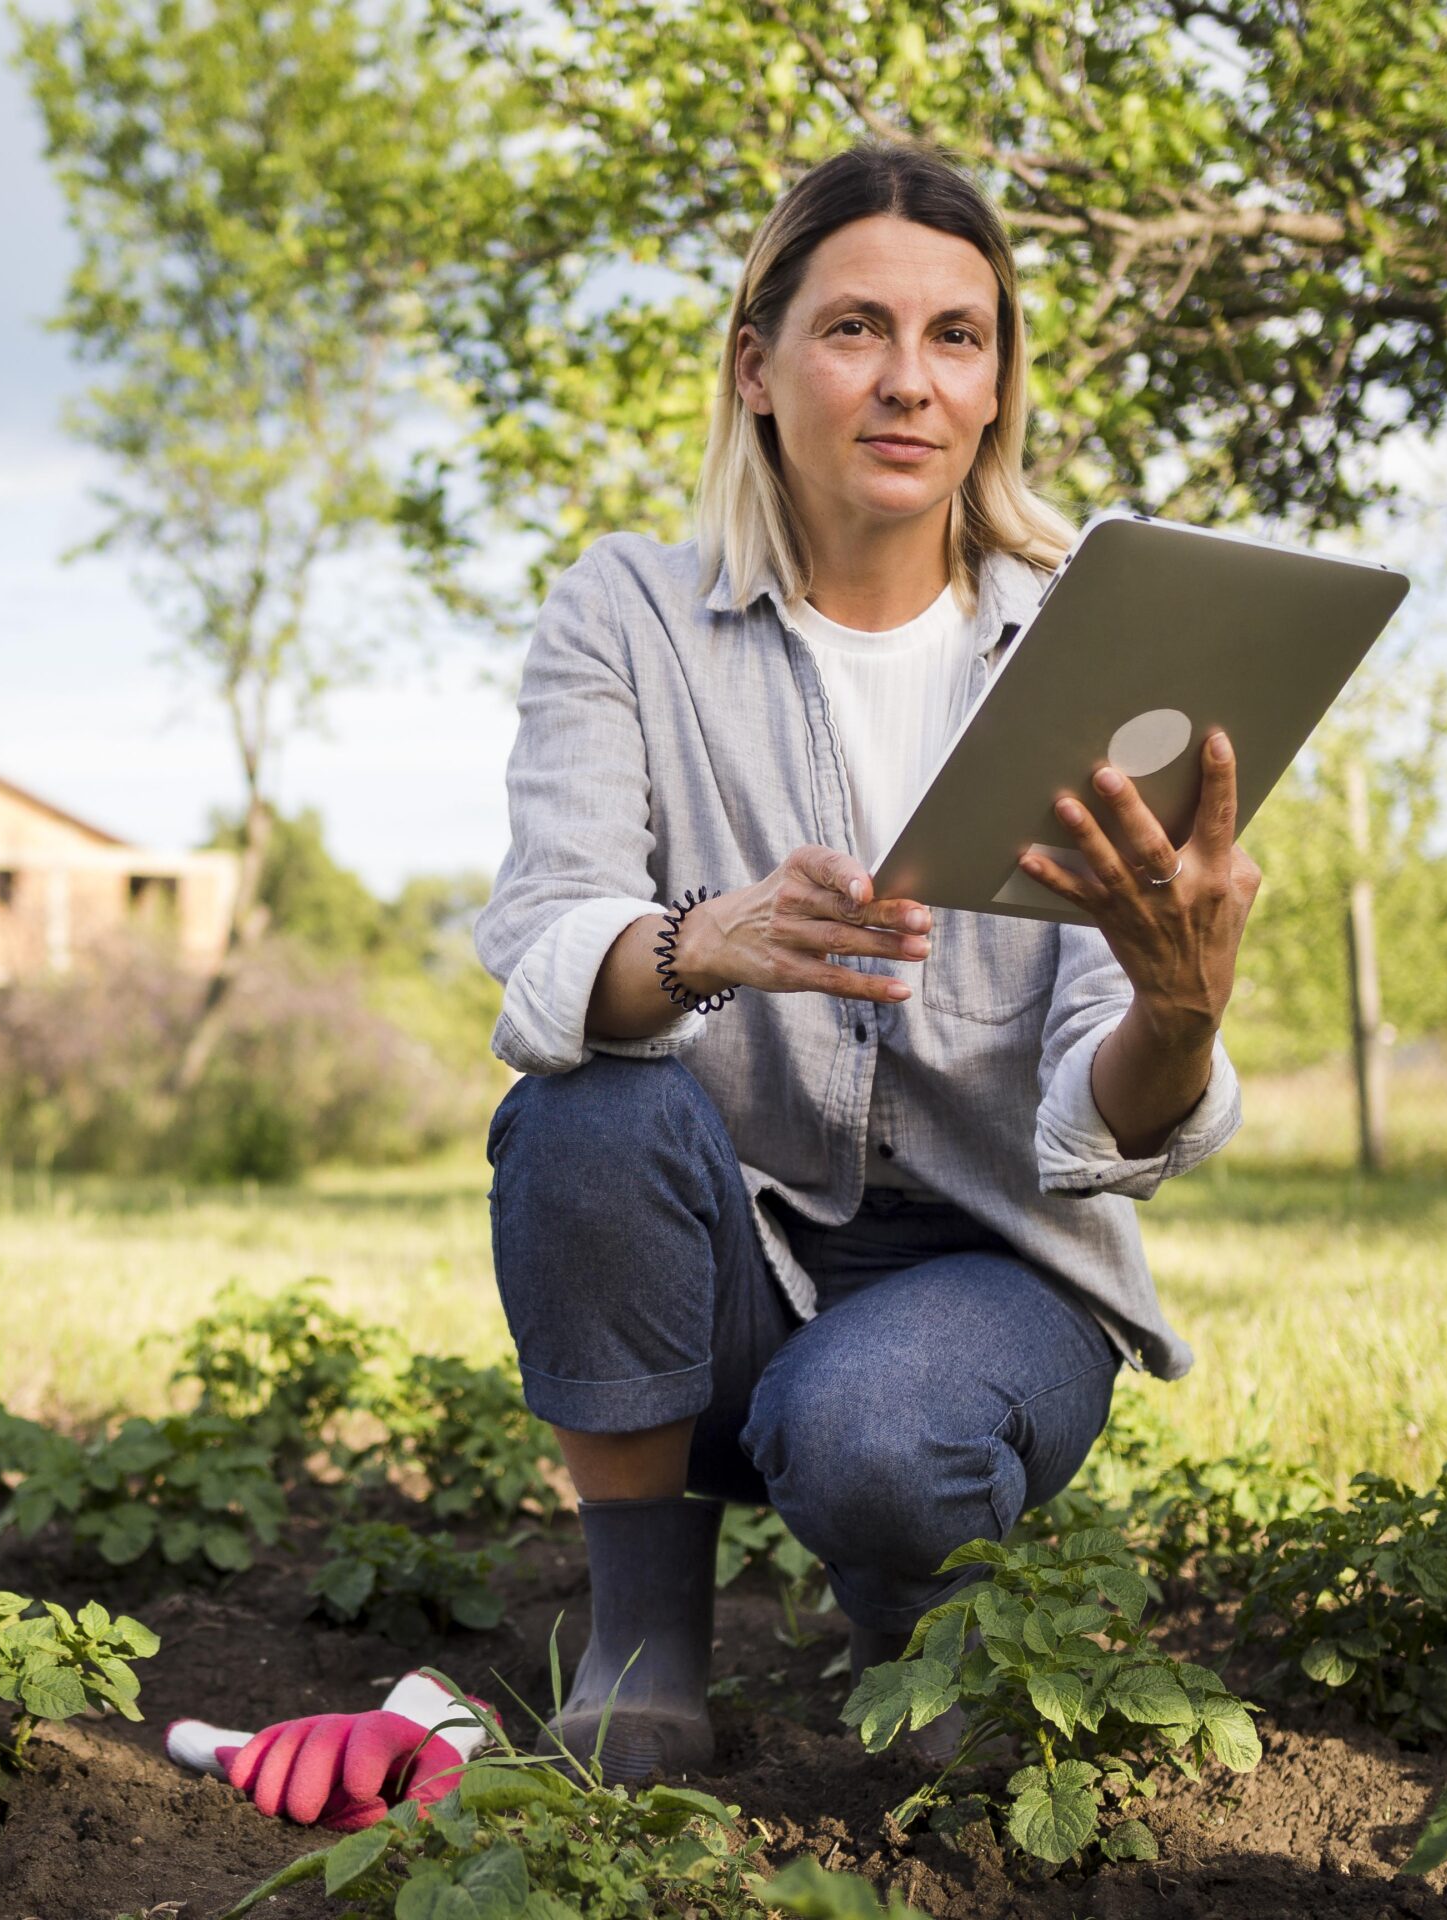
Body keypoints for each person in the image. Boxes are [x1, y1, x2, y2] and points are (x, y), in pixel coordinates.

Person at [474, 140, 1263, 1782]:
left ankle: (924, 1630)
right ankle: (642, 1644)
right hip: (727, 1265)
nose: (910, 382)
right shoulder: (627, 614)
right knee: (583, 1107)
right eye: (855, 331)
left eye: (957, 338)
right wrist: (705, 944)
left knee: (875, 1434)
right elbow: (549, 949)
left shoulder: (1098, 644)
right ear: (758, 369)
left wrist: (1181, 1011)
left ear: (996, 386)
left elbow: (1108, 1125)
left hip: (995, 1275)